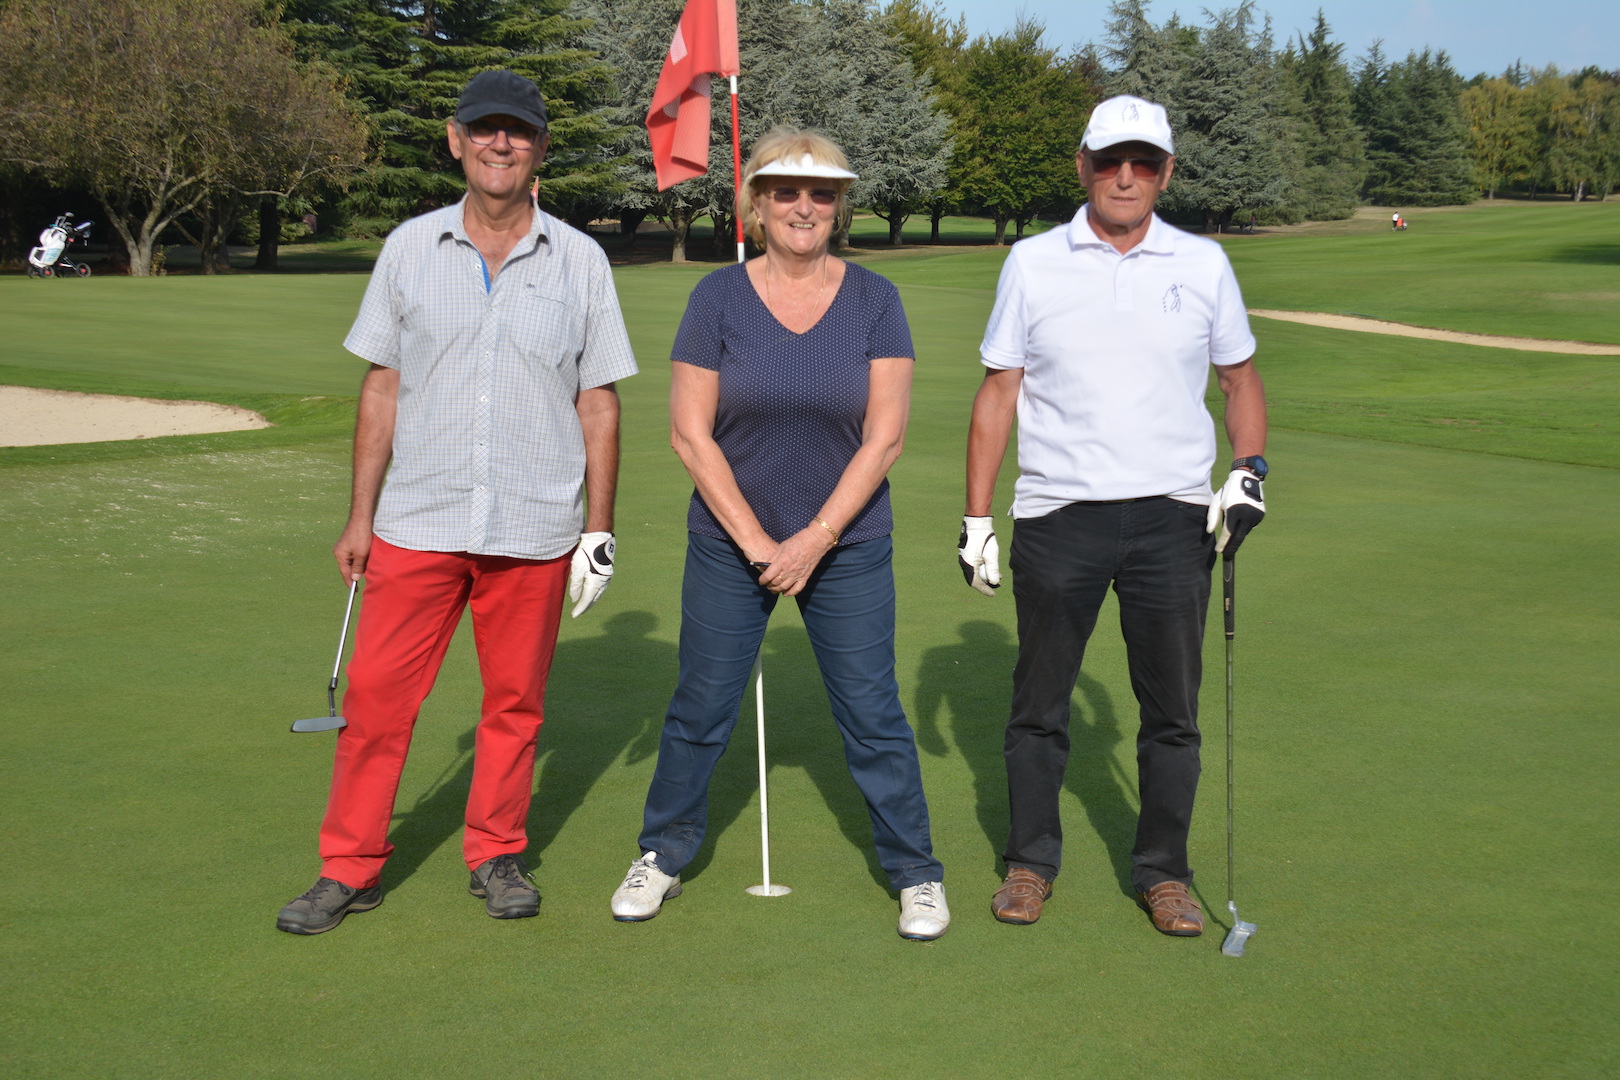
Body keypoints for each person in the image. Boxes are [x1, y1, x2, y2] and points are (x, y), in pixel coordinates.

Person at [277, 70, 639, 935]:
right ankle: (351, 865)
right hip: (418, 521)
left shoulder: (581, 260)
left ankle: (496, 853)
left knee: (514, 707)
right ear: (457, 139)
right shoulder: (409, 248)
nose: (500, 143)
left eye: (518, 131)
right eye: (485, 129)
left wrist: (600, 528)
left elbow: (599, 400)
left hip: (535, 526)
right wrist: (359, 516)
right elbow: (382, 389)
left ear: (541, 147)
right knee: (373, 703)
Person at [607, 128, 948, 940]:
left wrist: (815, 538)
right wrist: (761, 542)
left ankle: (916, 872)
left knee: (871, 711)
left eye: (821, 192)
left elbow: (886, 436)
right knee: (701, 704)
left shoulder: (875, 300)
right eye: (785, 190)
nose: (804, 206)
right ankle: (661, 855)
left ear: (840, 205)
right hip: (733, 542)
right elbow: (691, 435)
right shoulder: (716, 299)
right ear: (756, 204)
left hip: (849, 543)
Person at [957, 95, 1268, 936]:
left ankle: (1164, 872)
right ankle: (1029, 864)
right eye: (1108, 161)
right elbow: (999, 391)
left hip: (1172, 516)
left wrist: (1248, 471)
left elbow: (1238, 381)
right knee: (1040, 706)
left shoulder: (1202, 264)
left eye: (1142, 162)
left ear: (1166, 172)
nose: (1124, 177)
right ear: (1084, 166)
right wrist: (976, 516)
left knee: (1171, 713)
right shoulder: (1033, 261)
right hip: (1060, 513)